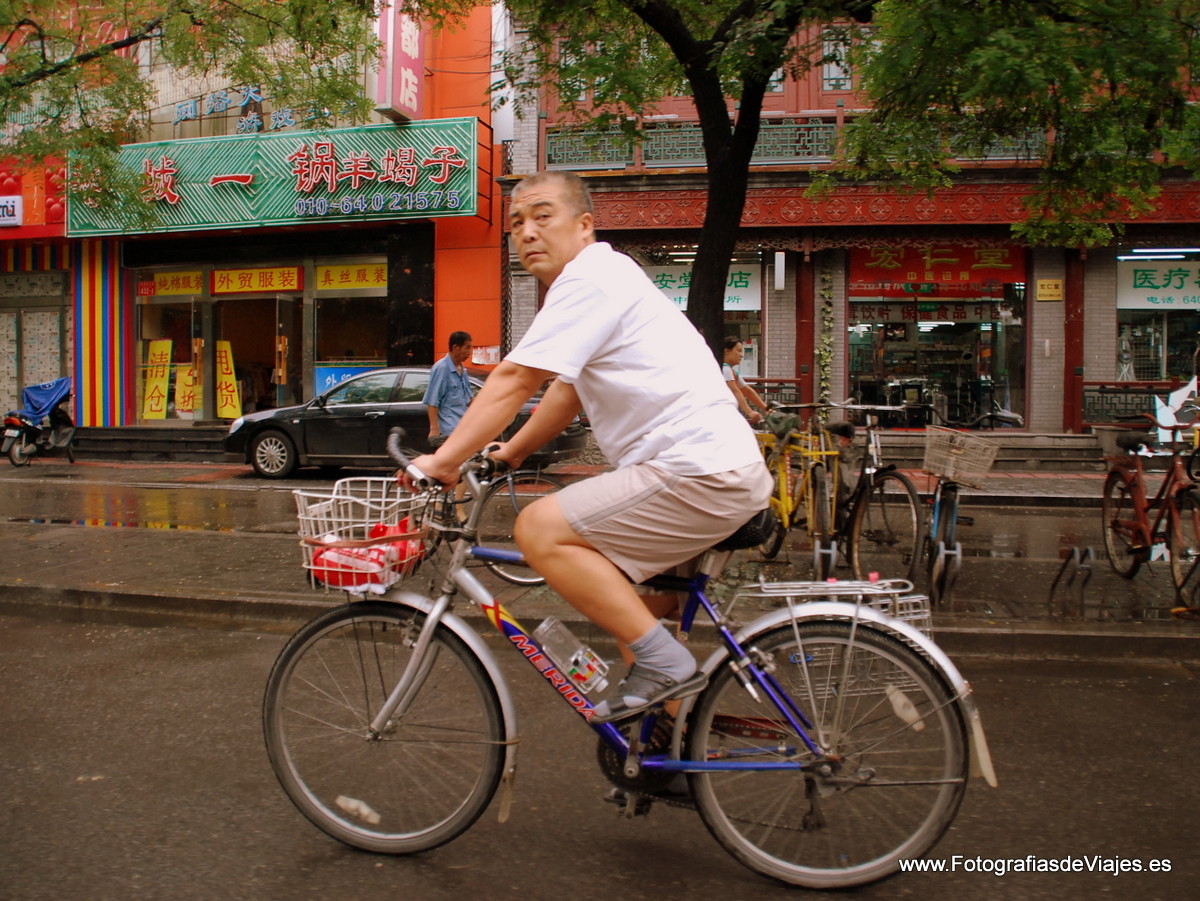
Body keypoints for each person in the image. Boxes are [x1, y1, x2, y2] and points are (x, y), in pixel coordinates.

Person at [407, 171, 771, 723]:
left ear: (584, 225)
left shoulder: (590, 278)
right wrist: (514, 452)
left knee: (538, 529)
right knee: (627, 603)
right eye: (516, 223)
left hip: (695, 469)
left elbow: (515, 379)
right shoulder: (605, 279)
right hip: (711, 468)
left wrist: (442, 460)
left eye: (543, 216)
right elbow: (568, 391)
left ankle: (667, 665)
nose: (527, 232)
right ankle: (665, 741)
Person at [423, 331, 473, 445]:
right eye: (467, 347)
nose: (470, 352)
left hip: (463, 427)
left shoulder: (462, 370)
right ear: (455, 348)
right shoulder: (442, 368)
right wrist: (434, 429)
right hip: (449, 430)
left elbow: (469, 399)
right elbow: (432, 401)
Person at [722, 335, 770, 425]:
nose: (741, 355)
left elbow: (747, 391)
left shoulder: (732, 371)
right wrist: (750, 412)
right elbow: (735, 390)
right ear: (727, 351)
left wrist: (766, 408)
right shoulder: (725, 369)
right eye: (739, 351)